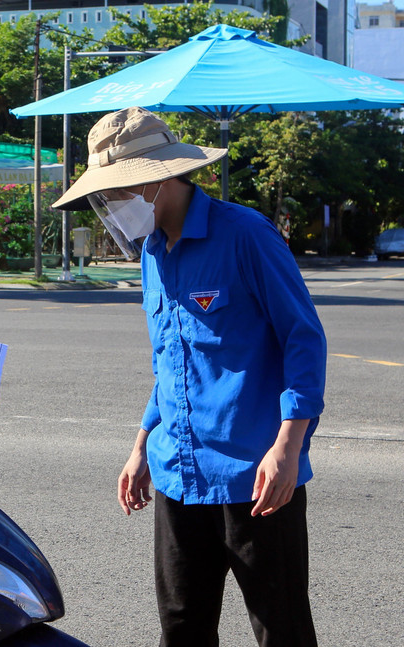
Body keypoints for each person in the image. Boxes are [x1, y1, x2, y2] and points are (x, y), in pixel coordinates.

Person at [53, 107, 326, 647]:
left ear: (157, 180)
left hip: (256, 473)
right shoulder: (153, 252)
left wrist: (288, 447)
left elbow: (305, 339)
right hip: (178, 472)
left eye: (115, 193)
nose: (110, 206)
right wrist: (141, 445)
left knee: (281, 627)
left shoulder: (246, 235)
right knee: (182, 624)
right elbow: (171, 362)